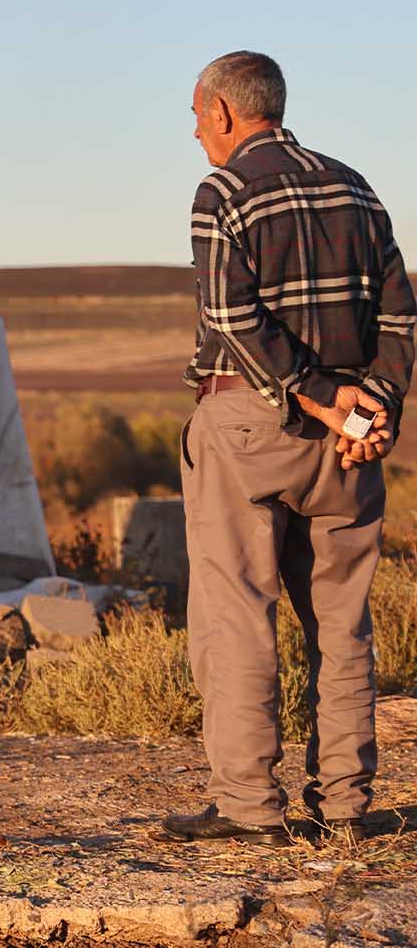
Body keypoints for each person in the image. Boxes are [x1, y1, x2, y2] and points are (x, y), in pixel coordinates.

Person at [158, 52, 414, 846]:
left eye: (198, 113)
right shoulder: (355, 186)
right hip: (346, 446)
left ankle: (249, 808)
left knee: (236, 614)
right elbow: (401, 317)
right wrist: (376, 410)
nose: (195, 128)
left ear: (226, 113)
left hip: (251, 423)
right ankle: (345, 806)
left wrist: (311, 393)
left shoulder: (224, 190)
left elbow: (231, 317)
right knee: (342, 622)